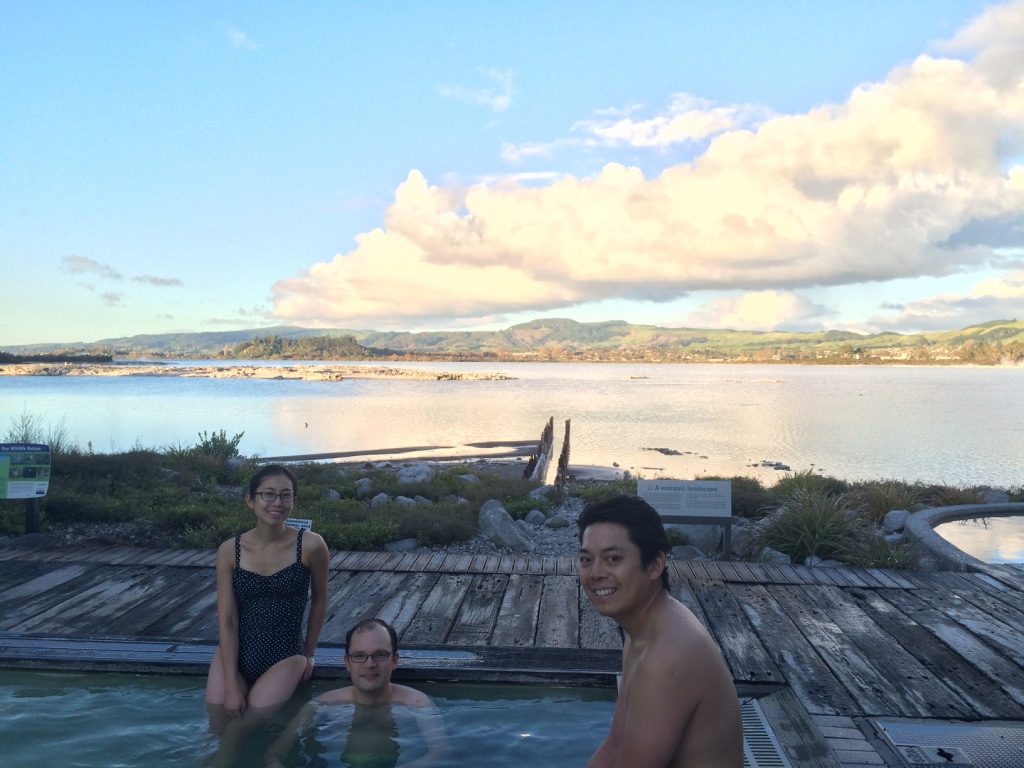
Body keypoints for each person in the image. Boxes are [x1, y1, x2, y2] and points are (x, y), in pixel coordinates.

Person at [578, 495, 743, 768]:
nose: (596, 573)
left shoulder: (667, 655)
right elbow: (615, 745)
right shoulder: (645, 632)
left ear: (655, 565)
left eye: (613, 558)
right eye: (586, 559)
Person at [205, 464, 329, 725]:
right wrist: (230, 685)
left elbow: (320, 599)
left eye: (286, 495)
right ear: (250, 500)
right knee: (217, 728)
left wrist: (309, 652)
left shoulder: (311, 545)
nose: (277, 502)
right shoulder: (230, 550)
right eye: (268, 494)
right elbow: (227, 619)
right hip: (235, 653)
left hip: (285, 655)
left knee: (243, 731)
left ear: (294, 500)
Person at [265, 618, 448, 768]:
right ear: (347, 662)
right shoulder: (321, 705)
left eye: (380, 654)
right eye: (359, 656)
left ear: (394, 660)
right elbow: (274, 755)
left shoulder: (417, 703)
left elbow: (440, 753)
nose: (369, 664)